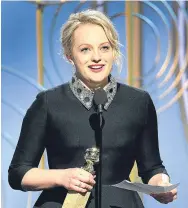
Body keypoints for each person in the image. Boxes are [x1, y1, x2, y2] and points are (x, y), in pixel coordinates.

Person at [8, 9, 177, 208]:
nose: (96, 57)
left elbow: (152, 167)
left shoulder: (138, 102)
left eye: (104, 47)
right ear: (70, 55)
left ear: (114, 51)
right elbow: (18, 172)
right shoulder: (48, 103)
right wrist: (62, 177)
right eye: (85, 49)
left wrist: (161, 184)